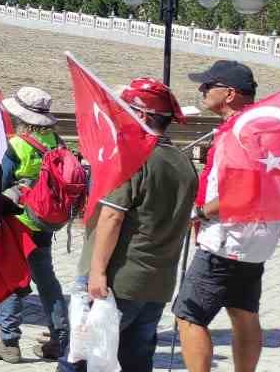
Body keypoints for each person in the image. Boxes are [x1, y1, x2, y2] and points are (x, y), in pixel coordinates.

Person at [58, 78, 197, 372]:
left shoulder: (134, 158)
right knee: (136, 362)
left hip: (116, 280)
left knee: (80, 360)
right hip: (157, 284)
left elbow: (113, 216)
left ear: (142, 115)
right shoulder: (184, 163)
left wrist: (96, 273)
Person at [177, 61, 274, 372]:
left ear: (230, 93)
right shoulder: (260, 126)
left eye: (208, 85)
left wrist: (199, 211)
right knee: (243, 311)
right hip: (255, 240)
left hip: (225, 239)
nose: (202, 90)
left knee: (189, 316)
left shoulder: (240, 131)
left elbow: (242, 190)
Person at [0, 86, 68, 363]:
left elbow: (1, 184)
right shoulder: (57, 141)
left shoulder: (17, 145)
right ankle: (60, 338)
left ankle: (9, 343)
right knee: (47, 280)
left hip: (19, 221)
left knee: (13, 278)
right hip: (46, 220)